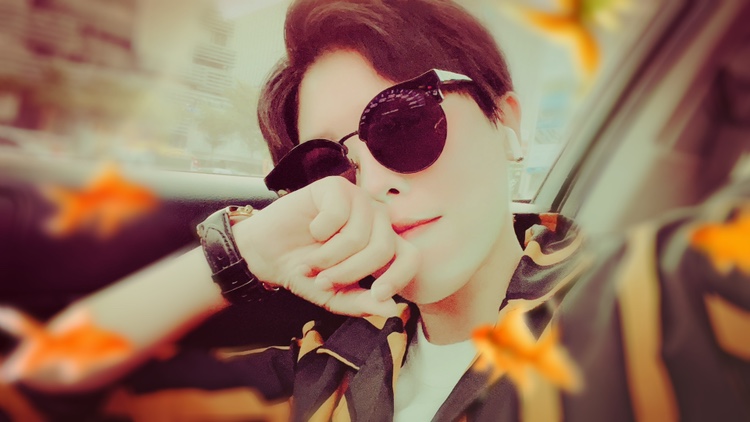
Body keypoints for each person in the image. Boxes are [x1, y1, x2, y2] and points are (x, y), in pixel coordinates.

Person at [1, 0, 749, 421]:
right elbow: (34, 387)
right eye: (327, 165)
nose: (377, 182)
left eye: (403, 122)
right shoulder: (319, 375)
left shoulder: (643, 306)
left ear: (508, 122)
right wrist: (241, 253)